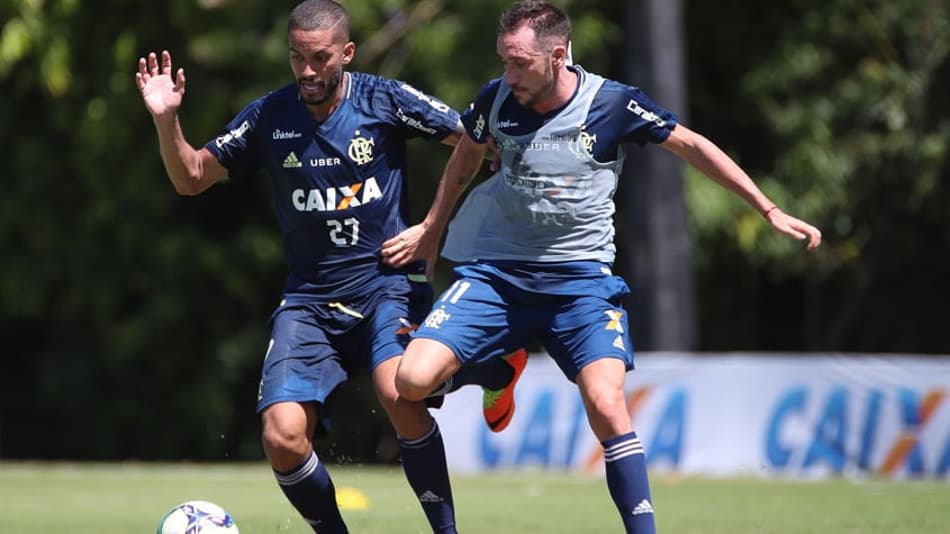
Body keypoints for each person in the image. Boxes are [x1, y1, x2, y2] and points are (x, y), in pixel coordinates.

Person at [381, 1, 823, 533]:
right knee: (410, 381)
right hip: (497, 279)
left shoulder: (611, 104)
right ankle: (498, 370)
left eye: (519, 62)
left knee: (608, 405)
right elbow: (466, 156)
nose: (507, 74)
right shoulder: (496, 99)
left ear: (558, 55)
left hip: (580, 288)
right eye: (503, 61)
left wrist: (768, 209)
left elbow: (692, 145)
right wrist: (430, 231)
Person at [134, 1, 527, 532]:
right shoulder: (271, 115)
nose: (307, 71)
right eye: (297, 57)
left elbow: (475, 142)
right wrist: (166, 119)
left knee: (399, 392)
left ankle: (451, 516)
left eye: (319, 58)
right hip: (310, 301)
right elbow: (192, 177)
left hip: (386, 284)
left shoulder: (383, 99)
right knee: (281, 435)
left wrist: (432, 227)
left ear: (346, 53)